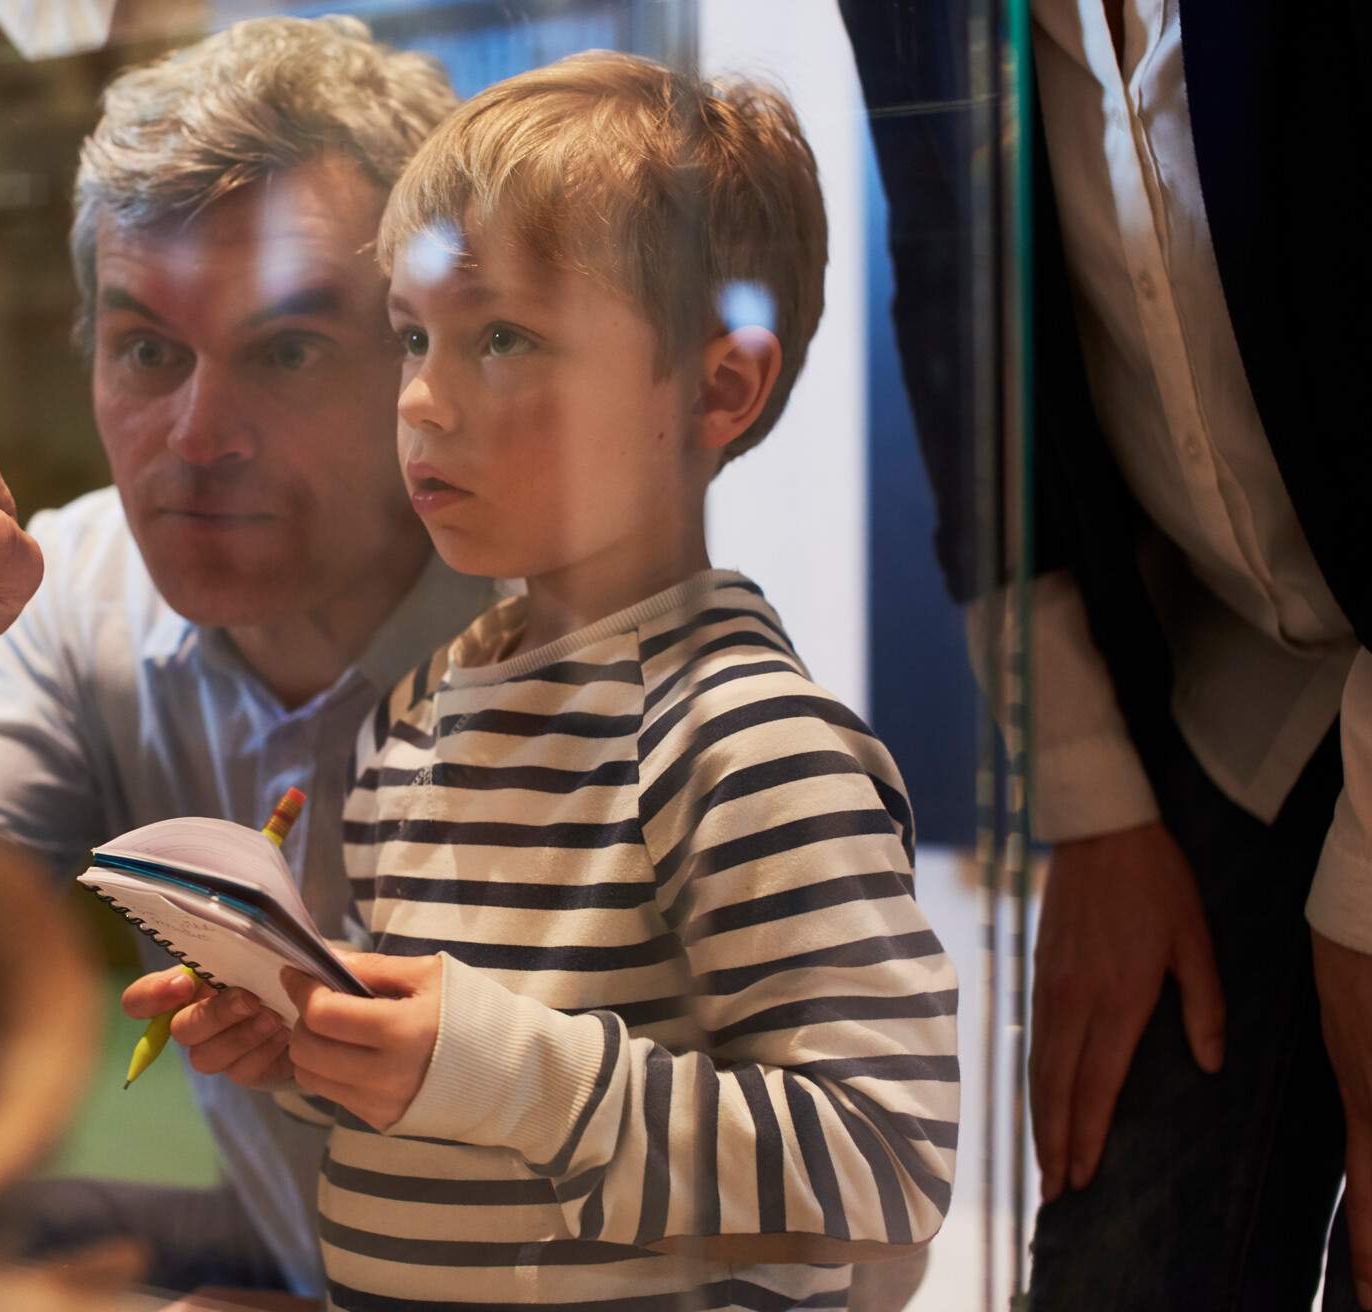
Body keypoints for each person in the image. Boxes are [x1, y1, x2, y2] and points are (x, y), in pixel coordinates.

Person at [147, 52, 960, 1310]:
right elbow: (471, 1110)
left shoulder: (745, 741)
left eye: (503, 338)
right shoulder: (418, 719)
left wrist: (494, 1071)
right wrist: (316, 1042)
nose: (421, 399)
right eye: (414, 338)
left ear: (717, 387)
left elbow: (885, 1164)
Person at [0, 16, 488, 1297]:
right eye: (148, 348)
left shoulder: (573, 617)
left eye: (290, 350)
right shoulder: (75, 585)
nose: (197, 439)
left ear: (420, 361)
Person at [840, 1, 1372, 1306]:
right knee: (1120, 1252)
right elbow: (956, 321)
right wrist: (1093, 799)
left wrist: (1363, 916)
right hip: (1219, 670)